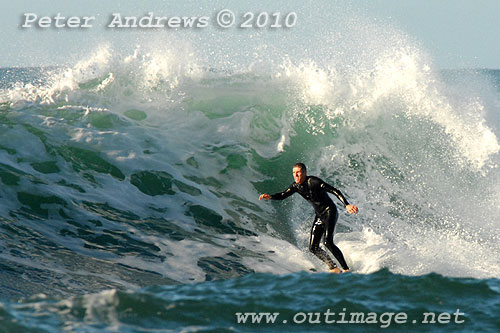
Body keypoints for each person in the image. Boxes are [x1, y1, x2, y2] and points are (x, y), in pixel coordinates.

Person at [259, 162, 358, 273]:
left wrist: (347, 204)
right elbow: (283, 195)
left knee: (327, 242)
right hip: (320, 215)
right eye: (293, 173)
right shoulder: (295, 186)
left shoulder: (314, 182)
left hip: (330, 211)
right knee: (313, 247)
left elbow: (334, 190)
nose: (295, 175)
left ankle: (346, 269)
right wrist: (270, 196)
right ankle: (333, 267)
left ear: (304, 173)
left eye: (298, 173)